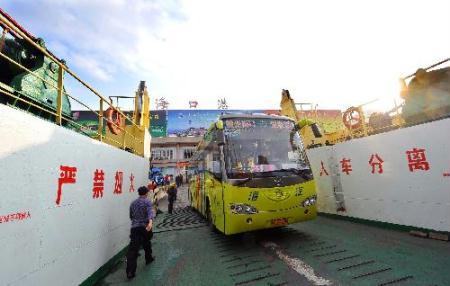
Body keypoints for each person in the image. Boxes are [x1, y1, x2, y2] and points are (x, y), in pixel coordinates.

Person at [126, 186, 154, 279]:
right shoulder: (147, 202)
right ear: (146, 193)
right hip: (145, 227)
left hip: (134, 228)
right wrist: (150, 222)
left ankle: (130, 271)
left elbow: (131, 216)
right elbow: (150, 213)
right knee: (147, 242)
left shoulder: (133, 203)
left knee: (133, 250)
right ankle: (148, 258)